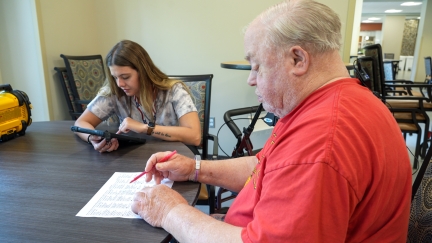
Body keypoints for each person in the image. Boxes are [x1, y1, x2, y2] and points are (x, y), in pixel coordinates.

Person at [131, 0, 412, 242]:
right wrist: (195, 168)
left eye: (257, 66)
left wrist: (169, 212)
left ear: (298, 59)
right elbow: (264, 167)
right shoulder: (330, 103)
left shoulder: (323, 139)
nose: (250, 78)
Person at [74, 40, 201, 153]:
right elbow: (81, 123)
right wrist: (92, 139)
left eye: (125, 77)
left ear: (144, 71)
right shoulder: (114, 92)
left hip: (171, 158)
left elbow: (195, 136)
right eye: (115, 77)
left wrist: (145, 128)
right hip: (134, 157)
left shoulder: (174, 91)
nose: (120, 84)